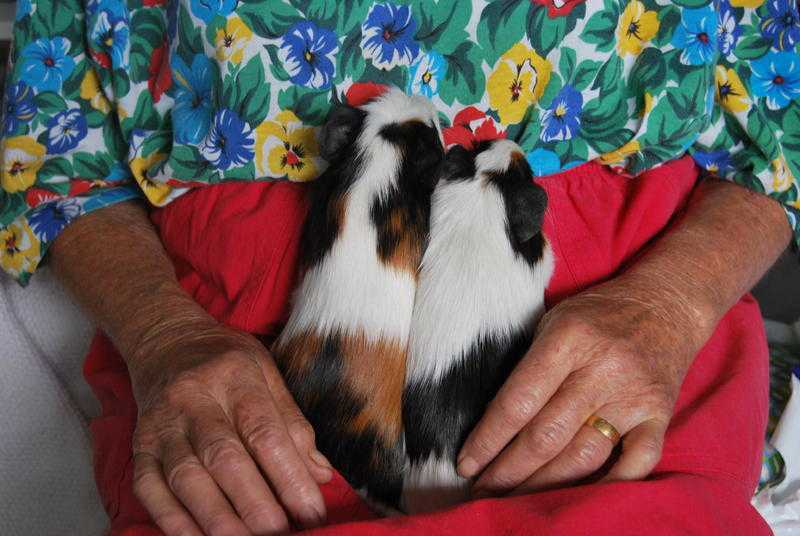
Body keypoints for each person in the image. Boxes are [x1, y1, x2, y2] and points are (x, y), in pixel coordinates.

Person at [2, 0, 798, 534]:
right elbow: (54, 147)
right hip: (241, 403)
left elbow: (784, 130)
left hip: (609, 375)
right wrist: (162, 335)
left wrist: (674, 305)